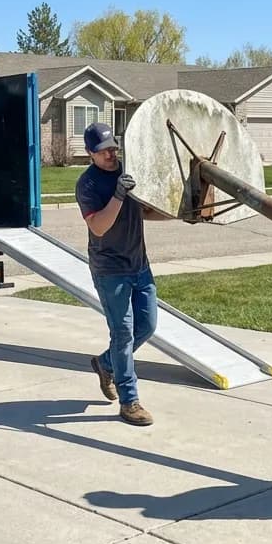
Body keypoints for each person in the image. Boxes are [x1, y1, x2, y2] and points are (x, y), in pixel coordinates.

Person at [76, 121, 164, 426]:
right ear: (90, 153)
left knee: (148, 326)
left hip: (139, 264)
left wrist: (182, 214)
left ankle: (105, 363)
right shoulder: (87, 185)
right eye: (103, 151)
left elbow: (145, 211)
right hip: (109, 269)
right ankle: (130, 402)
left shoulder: (128, 170)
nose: (111, 154)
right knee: (123, 333)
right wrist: (118, 194)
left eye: (113, 147)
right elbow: (99, 226)